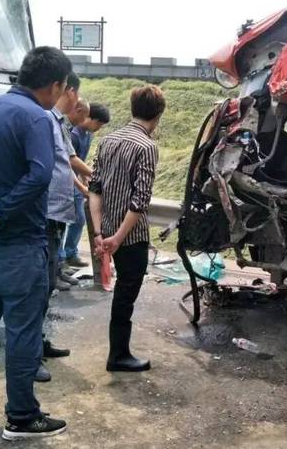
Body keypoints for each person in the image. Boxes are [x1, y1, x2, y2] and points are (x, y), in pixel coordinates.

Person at [0, 46, 69, 440]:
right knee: (23, 332)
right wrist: (1, 209)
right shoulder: (36, 118)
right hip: (19, 245)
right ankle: (21, 417)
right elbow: (41, 176)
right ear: (55, 84)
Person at [89, 85, 165, 372]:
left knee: (122, 292)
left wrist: (100, 234)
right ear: (158, 114)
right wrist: (119, 238)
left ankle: (118, 352)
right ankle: (118, 355)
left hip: (105, 228)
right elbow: (140, 201)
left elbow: (94, 188)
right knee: (126, 293)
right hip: (129, 236)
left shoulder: (108, 141)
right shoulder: (146, 147)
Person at [38, 75, 88, 383]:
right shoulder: (43, 120)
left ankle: (38, 343)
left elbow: (66, 162)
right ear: (66, 90)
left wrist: (87, 181)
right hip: (43, 217)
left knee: (46, 288)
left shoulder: (59, 124)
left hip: (55, 217)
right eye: (75, 93)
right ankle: (30, 357)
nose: (75, 100)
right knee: (37, 290)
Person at [62, 103, 111, 268]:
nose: (98, 128)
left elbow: (80, 161)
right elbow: (69, 162)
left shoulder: (88, 135)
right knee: (65, 220)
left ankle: (69, 254)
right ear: (89, 117)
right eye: (98, 123)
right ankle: (62, 259)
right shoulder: (73, 134)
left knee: (78, 219)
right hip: (66, 180)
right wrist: (87, 182)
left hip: (76, 179)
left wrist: (86, 180)